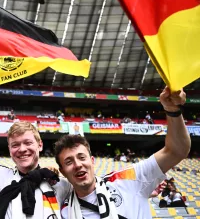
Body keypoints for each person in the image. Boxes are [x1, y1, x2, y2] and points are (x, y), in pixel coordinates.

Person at [53, 87, 191, 218]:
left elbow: (176, 151)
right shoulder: (64, 212)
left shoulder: (127, 178)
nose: (78, 165)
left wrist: (172, 110)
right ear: (63, 171)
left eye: (82, 157)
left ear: (92, 161)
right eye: (69, 162)